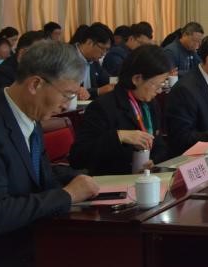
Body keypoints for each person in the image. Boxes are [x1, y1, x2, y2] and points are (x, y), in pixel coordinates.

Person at [0, 41, 100, 267]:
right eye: (66, 94)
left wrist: (80, 180)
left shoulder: (28, 115)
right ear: (36, 84)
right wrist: (67, 195)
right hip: (1, 262)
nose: (68, 105)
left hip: (32, 246)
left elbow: (39, 177)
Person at [69, 44, 172, 175]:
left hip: (145, 178)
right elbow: (78, 157)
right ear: (137, 79)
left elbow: (160, 145)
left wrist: (153, 160)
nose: (159, 91)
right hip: (113, 179)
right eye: (157, 85)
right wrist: (119, 136)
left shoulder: (151, 105)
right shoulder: (103, 107)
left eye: (162, 85)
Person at [0, 31, 47, 96]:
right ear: (22, 53)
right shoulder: (3, 74)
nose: (45, 58)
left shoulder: (40, 70)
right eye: (41, 53)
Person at [71, 23, 115, 100]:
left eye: (107, 50)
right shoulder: (66, 57)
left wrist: (122, 80)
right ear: (89, 42)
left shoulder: (94, 61)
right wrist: (98, 91)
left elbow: (107, 78)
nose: (104, 53)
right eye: (102, 48)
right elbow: (72, 91)